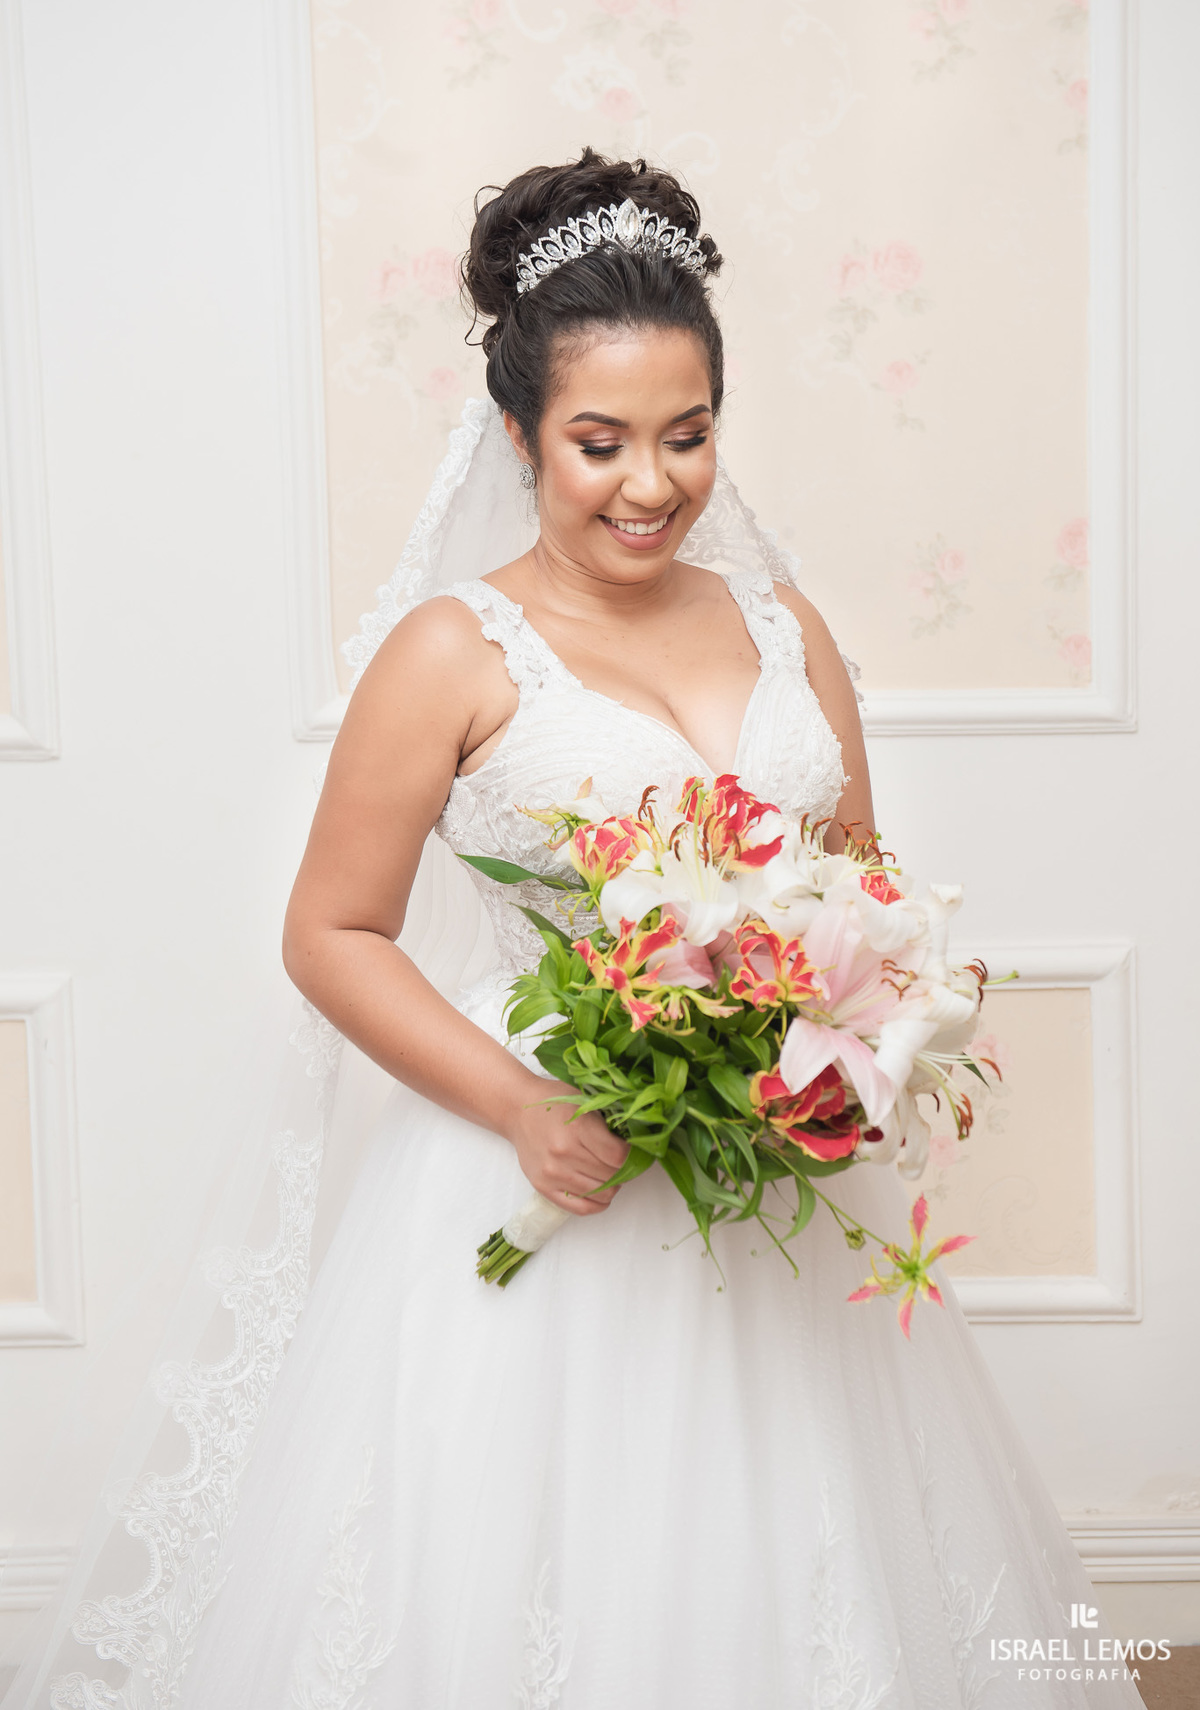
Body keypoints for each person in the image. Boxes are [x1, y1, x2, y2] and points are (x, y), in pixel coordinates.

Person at [14, 152, 1141, 1708]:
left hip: (767, 1168)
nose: (651, 483)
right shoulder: (450, 651)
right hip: (546, 1159)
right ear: (519, 435)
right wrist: (527, 1106)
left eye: (688, 437)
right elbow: (332, 928)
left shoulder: (782, 625)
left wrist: (848, 1030)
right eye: (600, 442)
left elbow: (862, 878)